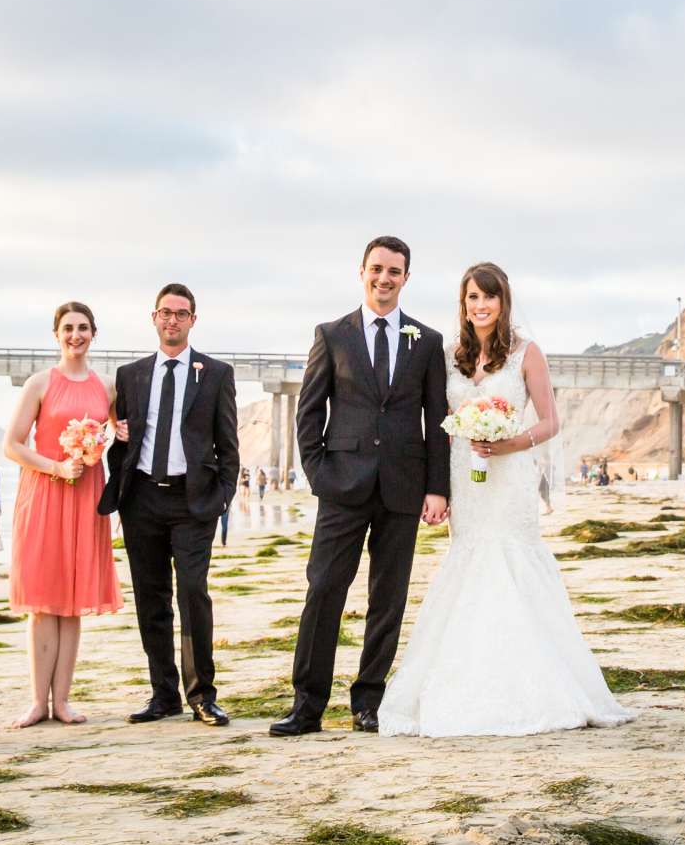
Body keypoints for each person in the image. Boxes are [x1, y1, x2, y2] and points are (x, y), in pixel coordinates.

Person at [380, 263, 633, 736]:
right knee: (469, 560)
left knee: (510, 561)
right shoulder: (449, 353)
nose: (481, 306)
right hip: (466, 473)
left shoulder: (525, 353)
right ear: (464, 302)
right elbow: (438, 419)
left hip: (510, 473)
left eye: (489, 298)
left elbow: (550, 420)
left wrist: (510, 442)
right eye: (473, 298)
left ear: (503, 302)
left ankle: (534, 684)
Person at [272, 236, 450, 736]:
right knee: (324, 590)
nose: (384, 278)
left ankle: (368, 701)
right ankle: (307, 705)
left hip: (402, 487)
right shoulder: (332, 334)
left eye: (394, 271)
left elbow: (437, 418)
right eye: (377, 269)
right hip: (342, 487)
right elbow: (308, 414)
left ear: (406, 278)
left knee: (387, 599)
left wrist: (437, 488)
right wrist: (319, 474)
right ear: (362, 271)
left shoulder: (427, 341)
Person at [100, 283, 239, 727]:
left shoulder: (216, 374)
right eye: (165, 313)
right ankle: (163, 694)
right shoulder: (131, 374)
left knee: (193, 593)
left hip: (192, 500)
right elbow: (123, 435)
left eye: (181, 313)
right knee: (151, 598)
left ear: (193, 320)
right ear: (154, 318)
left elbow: (229, 446)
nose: (172, 320)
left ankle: (202, 695)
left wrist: (222, 499)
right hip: (141, 499)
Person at [4, 301, 121, 727]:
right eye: (68, 328)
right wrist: (55, 466)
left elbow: (120, 429)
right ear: (56, 334)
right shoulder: (39, 383)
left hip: (86, 496)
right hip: (44, 493)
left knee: (72, 604)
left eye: (84, 328)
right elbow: (12, 445)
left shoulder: (106, 386)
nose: (76, 335)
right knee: (43, 602)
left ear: (93, 333)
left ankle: (63, 700)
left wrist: (113, 435)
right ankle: (38, 701)